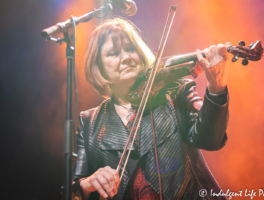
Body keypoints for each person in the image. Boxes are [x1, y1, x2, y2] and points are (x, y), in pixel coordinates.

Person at [71, 17, 230, 200]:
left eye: (131, 49)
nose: (127, 58)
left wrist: (216, 88)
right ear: (98, 67)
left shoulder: (175, 92)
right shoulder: (89, 122)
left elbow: (210, 139)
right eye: (114, 53)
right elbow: (74, 188)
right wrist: (87, 183)